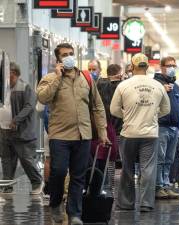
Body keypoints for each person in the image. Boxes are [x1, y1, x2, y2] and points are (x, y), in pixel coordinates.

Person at [36, 43, 109, 225]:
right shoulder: (49, 78)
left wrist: (102, 131)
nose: (68, 56)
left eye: (71, 53)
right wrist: (58, 78)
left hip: (82, 135)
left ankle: (75, 213)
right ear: (58, 59)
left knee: (78, 176)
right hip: (60, 135)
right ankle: (55, 204)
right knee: (59, 171)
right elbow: (43, 98)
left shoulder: (86, 78)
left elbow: (97, 106)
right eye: (64, 54)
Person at [111, 53, 170, 212]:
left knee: (127, 168)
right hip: (150, 134)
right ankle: (146, 203)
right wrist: (153, 115)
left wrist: (127, 115)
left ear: (132, 66)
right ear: (148, 66)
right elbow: (166, 109)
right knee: (148, 169)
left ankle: (126, 203)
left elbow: (114, 109)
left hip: (129, 133)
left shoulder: (123, 85)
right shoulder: (157, 85)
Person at [0, 62, 43, 194]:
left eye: (10, 75)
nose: (7, 77)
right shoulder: (3, 88)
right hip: (4, 130)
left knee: (26, 159)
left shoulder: (25, 88)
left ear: (15, 74)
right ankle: (7, 186)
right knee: (7, 160)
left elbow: (29, 107)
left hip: (22, 132)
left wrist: (16, 120)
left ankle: (37, 183)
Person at [90, 64, 123, 191]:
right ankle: (109, 184)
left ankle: (103, 183)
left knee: (102, 155)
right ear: (119, 73)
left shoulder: (98, 84)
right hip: (114, 126)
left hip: (102, 124)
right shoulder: (119, 86)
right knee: (112, 155)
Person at [153, 56, 179, 199]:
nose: (171, 68)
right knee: (159, 157)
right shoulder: (155, 84)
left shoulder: (176, 86)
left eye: (174, 65)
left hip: (174, 127)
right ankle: (158, 186)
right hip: (161, 126)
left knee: (169, 159)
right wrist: (160, 90)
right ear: (162, 67)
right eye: (169, 65)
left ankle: (166, 184)